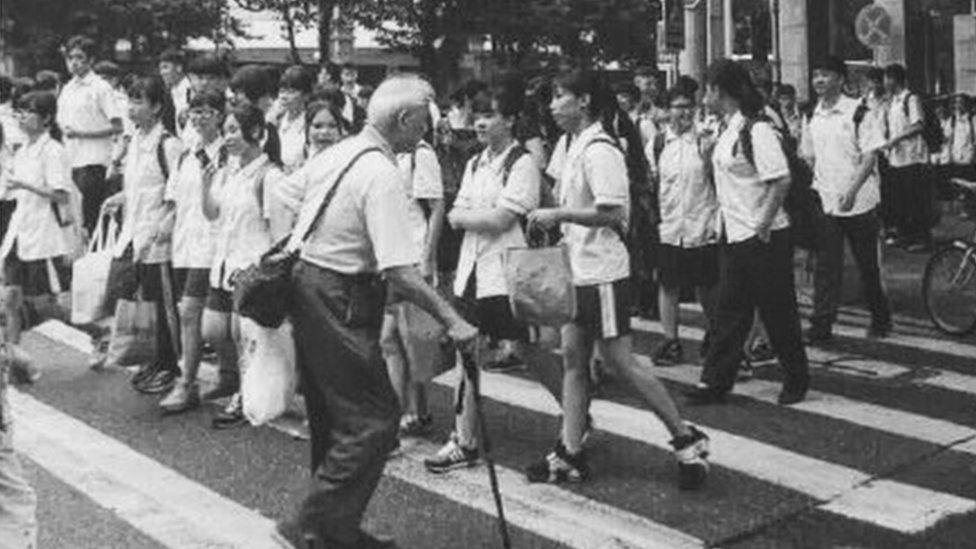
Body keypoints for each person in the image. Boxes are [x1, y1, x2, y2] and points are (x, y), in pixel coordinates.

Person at [272, 74, 477, 549]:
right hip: (342, 295)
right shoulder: (382, 174)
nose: (427, 131)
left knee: (333, 418)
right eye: (424, 121)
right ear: (404, 119)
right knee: (374, 420)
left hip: (310, 287)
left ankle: (333, 532)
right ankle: (305, 524)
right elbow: (400, 272)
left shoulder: (338, 152)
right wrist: (454, 319)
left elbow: (282, 195)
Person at [525, 69, 709, 489]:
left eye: (560, 96)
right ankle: (570, 450)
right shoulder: (570, 145)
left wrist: (560, 215)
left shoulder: (601, 148)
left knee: (620, 361)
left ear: (584, 100)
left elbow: (614, 212)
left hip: (603, 272)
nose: (553, 105)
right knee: (573, 360)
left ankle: (686, 437)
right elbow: (560, 192)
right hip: (576, 267)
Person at [423, 79, 567, 472]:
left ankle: (575, 416)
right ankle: (464, 439)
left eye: (491, 115)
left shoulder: (522, 163)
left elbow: (504, 217)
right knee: (467, 350)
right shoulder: (474, 162)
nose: (482, 122)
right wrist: (470, 218)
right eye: (479, 115)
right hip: (472, 272)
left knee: (529, 349)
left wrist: (465, 217)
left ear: (511, 120)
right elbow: (461, 212)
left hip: (508, 273)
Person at [684, 59, 810, 407]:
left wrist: (763, 224)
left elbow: (781, 178)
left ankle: (796, 378)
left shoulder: (758, 130)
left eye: (707, 87)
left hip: (764, 237)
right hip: (734, 235)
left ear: (720, 91)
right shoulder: (726, 129)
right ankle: (715, 382)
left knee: (777, 310)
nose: (703, 95)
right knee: (728, 311)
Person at [201, 103, 285, 429]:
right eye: (226, 131)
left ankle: (246, 396)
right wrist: (205, 187)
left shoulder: (270, 176)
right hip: (224, 265)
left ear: (256, 133)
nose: (228, 137)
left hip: (251, 270)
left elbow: (279, 234)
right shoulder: (229, 172)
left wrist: (266, 272)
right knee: (213, 330)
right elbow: (213, 214)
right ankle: (238, 384)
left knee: (243, 337)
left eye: (234, 130)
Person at [800, 56, 892, 343]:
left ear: (841, 79)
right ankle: (822, 325)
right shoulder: (811, 115)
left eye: (825, 75)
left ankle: (880, 316)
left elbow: (869, 156)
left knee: (867, 265)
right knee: (827, 266)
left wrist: (851, 190)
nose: (819, 81)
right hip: (827, 202)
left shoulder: (858, 112)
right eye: (816, 75)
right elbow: (809, 155)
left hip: (860, 202)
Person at [101, 76, 183, 394]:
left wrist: (163, 226)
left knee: (164, 306)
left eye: (138, 101)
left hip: (157, 239)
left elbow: (176, 196)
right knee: (145, 302)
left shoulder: (169, 145)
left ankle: (172, 365)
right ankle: (155, 359)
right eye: (129, 101)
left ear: (157, 106)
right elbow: (139, 188)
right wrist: (118, 199)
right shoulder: (134, 140)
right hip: (134, 234)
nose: (131, 108)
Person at [157, 90, 227, 414]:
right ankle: (213, 376)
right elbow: (173, 199)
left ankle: (187, 383)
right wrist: (163, 225)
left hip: (213, 244)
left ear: (220, 115)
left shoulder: (227, 154)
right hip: (184, 244)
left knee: (191, 312)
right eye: (195, 111)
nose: (199, 117)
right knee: (190, 314)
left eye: (207, 111)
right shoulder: (186, 155)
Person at [0, 91, 74, 384]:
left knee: (44, 303)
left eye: (28, 112)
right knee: (11, 299)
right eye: (18, 112)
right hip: (20, 230)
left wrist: (25, 185)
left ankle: (96, 330)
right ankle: (14, 362)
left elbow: (61, 194)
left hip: (44, 234)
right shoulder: (23, 150)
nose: (21, 117)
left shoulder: (53, 150)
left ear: (46, 118)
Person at [380, 113, 445, 437]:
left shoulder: (422, 154)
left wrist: (428, 258)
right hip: (391, 256)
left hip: (414, 256)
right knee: (398, 338)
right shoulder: (388, 151)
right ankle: (413, 411)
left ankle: (405, 415)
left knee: (403, 338)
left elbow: (436, 208)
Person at [650, 83, 719, 366]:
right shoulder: (657, 143)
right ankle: (671, 340)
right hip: (670, 226)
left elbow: (716, 181)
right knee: (668, 285)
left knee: (707, 285)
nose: (684, 112)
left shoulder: (705, 141)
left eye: (689, 106)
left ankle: (715, 336)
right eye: (678, 107)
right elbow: (653, 183)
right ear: (667, 112)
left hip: (702, 224)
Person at [57, 35, 125, 236]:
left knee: (91, 217)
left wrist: (82, 134)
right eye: (70, 58)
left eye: (80, 57)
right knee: (75, 219)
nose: (74, 63)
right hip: (71, 160)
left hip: (94, 161)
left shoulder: (100, 88)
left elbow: (118, 126)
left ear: (91, 60)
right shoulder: (67, 88)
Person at [882, 63, 931, 251]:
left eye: (887, 78)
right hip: (897, 160)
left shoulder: (910, 99)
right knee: (900, 201)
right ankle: (905, 236)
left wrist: (896, 139)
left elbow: (918, 125)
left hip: (913, 158)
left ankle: (921, 239)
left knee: (915, 200)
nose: (885, 83)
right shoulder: (893, 102)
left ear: (896, 79)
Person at [271, 65, 314, 174]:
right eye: (282, 91)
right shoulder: (276, 121)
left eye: (291, 92)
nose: (284, 96)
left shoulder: (312, 124)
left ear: (306, 95)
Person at [158, 48, 191, 133]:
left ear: (179, 68)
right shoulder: (168, 93)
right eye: (160, 69)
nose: (162, 72)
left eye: (165, 67)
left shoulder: (191, 90)